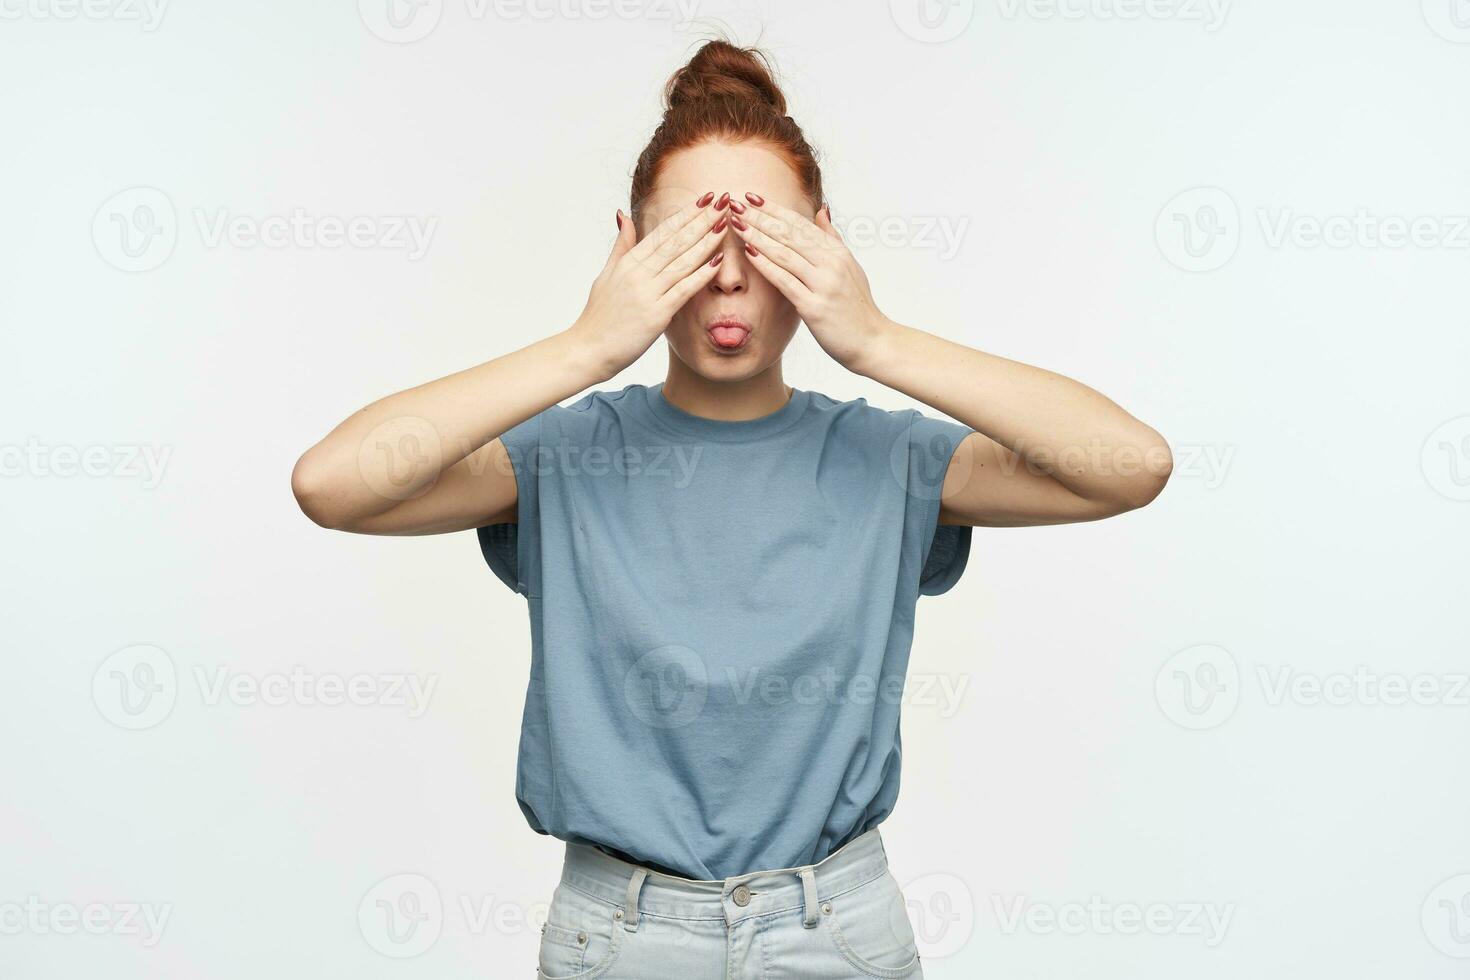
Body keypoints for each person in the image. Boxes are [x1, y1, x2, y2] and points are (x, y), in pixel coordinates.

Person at [291, 37, 1171, 980]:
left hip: (838, 932)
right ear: (629, 249)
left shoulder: (889, 459)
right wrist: (589, 346)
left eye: (763, 242)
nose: (727, 278)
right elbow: (331, 484)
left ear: (822, 246)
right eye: (689, 245)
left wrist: (874, 338)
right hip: (619, 937)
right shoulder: (563, 455)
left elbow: (1131, 465)